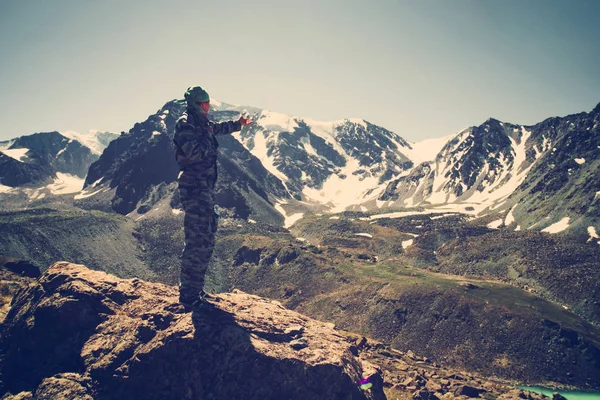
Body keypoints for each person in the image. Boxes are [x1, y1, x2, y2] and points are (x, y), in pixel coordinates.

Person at [173, 86, 253, 309]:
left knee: (206, 238)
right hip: (194, 189)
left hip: (203, 189)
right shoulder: (185, 124)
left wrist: (238, 124)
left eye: (208, 102)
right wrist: (209, 138)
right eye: (203, 103)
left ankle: (195, 290)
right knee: (197, 241)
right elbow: (194, 152)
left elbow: (216, 128)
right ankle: (189, 295)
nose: (207, 107)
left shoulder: (200, 124)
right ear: (194, 105)